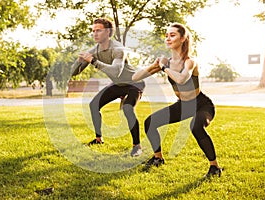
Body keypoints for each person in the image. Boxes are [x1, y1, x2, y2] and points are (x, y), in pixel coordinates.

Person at [132, 22, 222, 177]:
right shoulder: (165, 62)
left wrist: (164, 68)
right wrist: (154, 65)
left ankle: (215, 167)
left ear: (182, 39)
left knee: (195, 126)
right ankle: (158, 158)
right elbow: (135, 77)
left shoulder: (190, 61)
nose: (168, 38)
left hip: (202, 105)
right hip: (184, 105)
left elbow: (181, 79)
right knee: (150, 122)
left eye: (172, 35)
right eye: (166, 35)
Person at [70, 18, 145, 157]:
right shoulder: (94, 50)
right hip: (118, 84)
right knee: (94, 105)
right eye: (93, 31)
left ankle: (137, 146)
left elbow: (115, 71)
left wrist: (93, 61)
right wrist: (79, 61)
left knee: (128, 108)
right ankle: (99, 139)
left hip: (134, 83)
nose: (95, 33)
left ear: (108, 32)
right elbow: (74, 72)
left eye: (98, 30)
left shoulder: (117, 49)